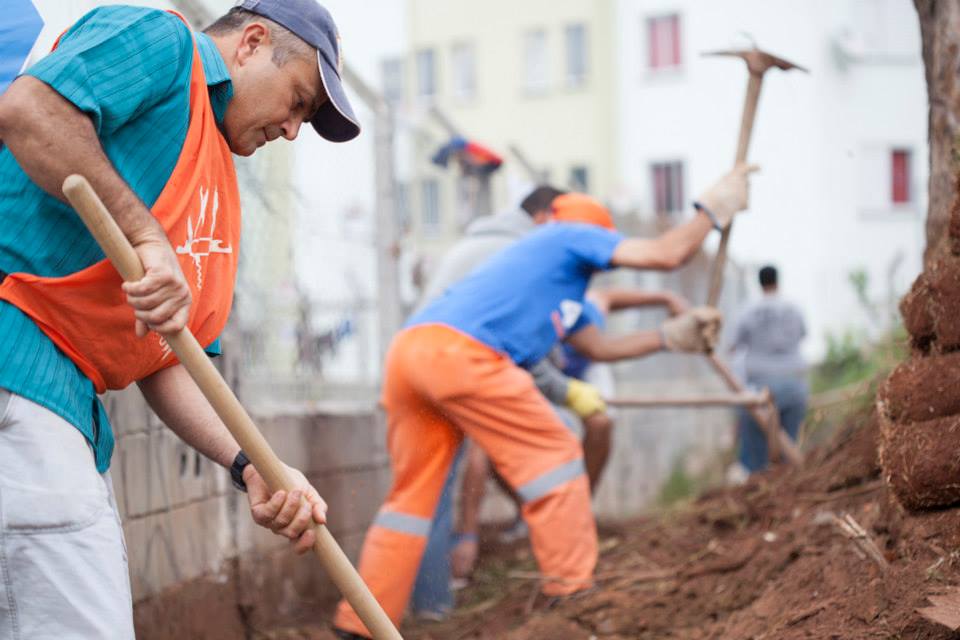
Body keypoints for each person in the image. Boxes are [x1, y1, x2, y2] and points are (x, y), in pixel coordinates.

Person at [0, 2, 359, 636]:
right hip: (19, 365)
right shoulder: (163, 42)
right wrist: (145, 235)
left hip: (59, 405)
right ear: (251, 42)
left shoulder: (214, 183)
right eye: (299, 100)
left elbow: (170, 360)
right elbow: (29, 110)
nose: (295, 129)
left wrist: (255, 465)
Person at [333, 165, 757, 639]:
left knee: (411, 500)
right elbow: (666, 253)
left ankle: (360, 625)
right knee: (555, 458)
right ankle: (572, 603)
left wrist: (668, 337)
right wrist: (711, 211)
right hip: (461, 354)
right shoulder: (569, 236)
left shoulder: (558, 284)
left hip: (411, 354)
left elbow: (598, 347)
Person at [729, 265, 808, 473]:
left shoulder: (748, 310)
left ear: (760, 283)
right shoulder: (793, 308)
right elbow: (803, 335)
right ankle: (790, 492)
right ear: (777, 281)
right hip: (794, 385)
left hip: (759, 390)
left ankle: (762, 495)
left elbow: (733, 346)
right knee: (789, 448)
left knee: (756, 459)